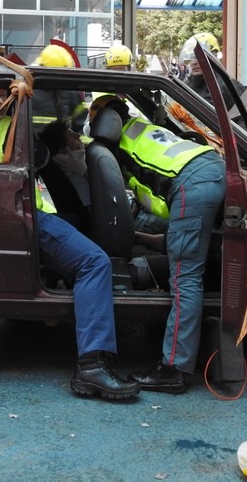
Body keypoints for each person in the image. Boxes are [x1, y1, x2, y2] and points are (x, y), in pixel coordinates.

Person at [0, 80, 138, 401]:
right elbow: (41, 157)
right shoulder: (5, 126)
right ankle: (93, 366)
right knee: (95, 262)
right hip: (24, 219)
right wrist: (15, 116)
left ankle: (59, 288)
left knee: (71, 224)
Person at [91, 96, 225, 394]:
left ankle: (174, 369)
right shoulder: (144, 129)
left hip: (192, 184)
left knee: (185, 278)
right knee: (188, 265)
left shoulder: (118, 147)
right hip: (209, 169)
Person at [178, 31, 245, 108]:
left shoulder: (229, 87)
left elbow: (244, 118)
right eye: (191, 57)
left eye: (198, 57)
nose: (193, 62)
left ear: (213, 56)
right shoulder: (187, 86)